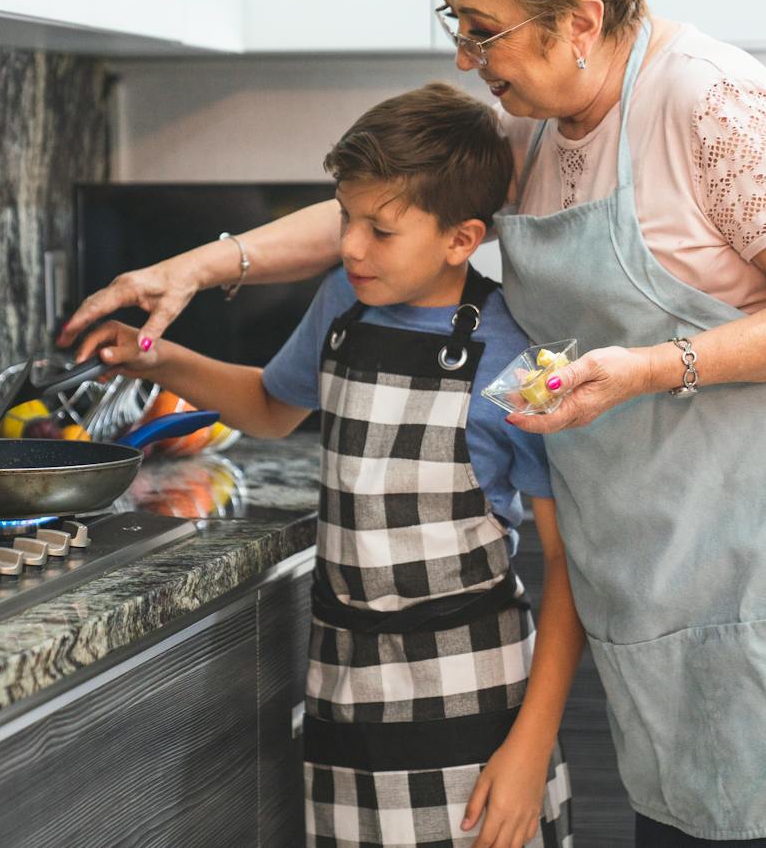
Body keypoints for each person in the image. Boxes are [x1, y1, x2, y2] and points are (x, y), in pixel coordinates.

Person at [64, 0, 766, 846]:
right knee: (687, 817)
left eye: (481, 31)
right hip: (668, 519)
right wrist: (202, 266)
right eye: (457, 26)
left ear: (579, 21)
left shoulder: (711, 105)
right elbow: (387, 211)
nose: (465, 59)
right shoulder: (535, 127)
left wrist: (649, 366)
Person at [78, 82, 577, 848]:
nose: (349, 245)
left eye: (380, 228)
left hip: (476, 706)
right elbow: (271, 406)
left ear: (460, 237)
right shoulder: (341, 309)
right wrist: (154, 357)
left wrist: (530, 746)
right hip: (345, 695)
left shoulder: (512, 354)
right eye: (346, 216)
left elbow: (569, 566)